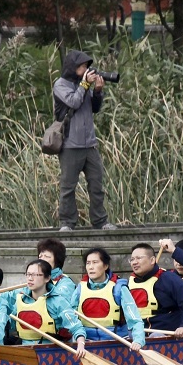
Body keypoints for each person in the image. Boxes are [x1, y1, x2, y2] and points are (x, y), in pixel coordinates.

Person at [53, 49, 117, 231]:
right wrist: (84, 85)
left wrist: (97, 91)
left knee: (97, 185)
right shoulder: (60, 85)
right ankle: (67, 223)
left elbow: (94, 108)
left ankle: (100, 221)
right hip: (70, 144)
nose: (85, 70)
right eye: (81, 67)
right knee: (68, 187)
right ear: (72, 67)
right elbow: (73, 102)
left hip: (90, 143)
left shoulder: (85, 84)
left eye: (86, 67)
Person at [0, 259, 87, 356]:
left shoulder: (58, 301)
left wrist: (81, 345)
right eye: (28, 274)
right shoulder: (20, 297)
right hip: (24, 350)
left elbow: (76, 327)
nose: (30, 278)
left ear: (47, 278)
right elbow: (2, 321)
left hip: (50, 351)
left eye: (35, 275)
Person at [73, 248, 144, 350]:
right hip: (87, 341)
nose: (91, 267)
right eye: (88, 263)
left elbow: (135, 319)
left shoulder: (119, 288)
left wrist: (138, 340)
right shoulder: (80, 289)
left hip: (116, 341)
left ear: (105, 266)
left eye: (95, 262)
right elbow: (71, 318)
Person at [127, 243, 183, 337]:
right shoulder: (128, 284)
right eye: (132, 259)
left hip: (165, 334)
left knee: (156, 336)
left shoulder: (169, 279)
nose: (134, 262)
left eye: (139, 258)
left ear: (152, 260)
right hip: (137, 334)